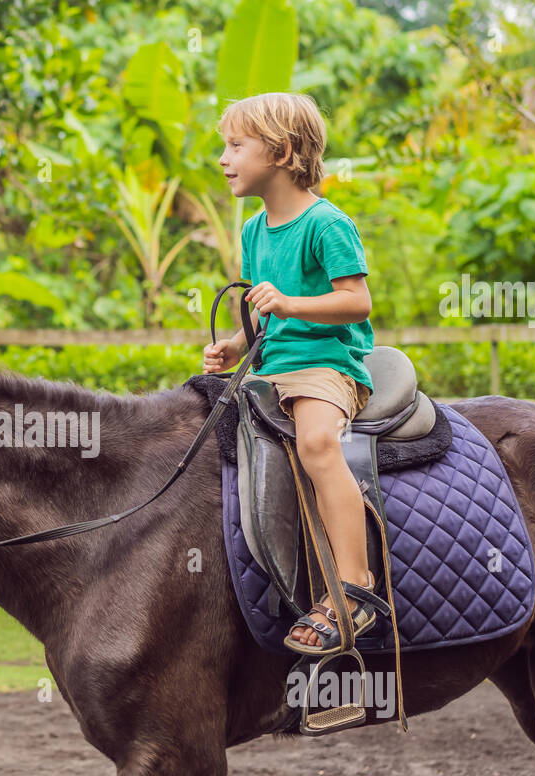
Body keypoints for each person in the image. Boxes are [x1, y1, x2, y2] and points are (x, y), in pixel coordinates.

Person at [202, 91, 378, 656]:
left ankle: (354, 590)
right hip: (271, 366)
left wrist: (293, 305)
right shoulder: (254, 230)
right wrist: (234, 346)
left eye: (235, 146)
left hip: (325, 365)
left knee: (318, 444)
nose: (224, 159)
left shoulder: (327, 223)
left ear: (280, 151)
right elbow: (262, 310)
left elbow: (357, 302)